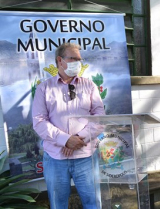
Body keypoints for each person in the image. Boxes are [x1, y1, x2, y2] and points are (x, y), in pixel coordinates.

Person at [32, 42, 105, 209]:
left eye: (79, 59)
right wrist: (65, 140)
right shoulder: (44, 88)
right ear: (60, 60)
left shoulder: (89, 85)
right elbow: (39, 121)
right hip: (55, 158)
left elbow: (100, 117)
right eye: (73, 58)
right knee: (58, 205)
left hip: (85, 156)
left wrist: (79, 139)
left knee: (93, 203)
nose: (78, 63)